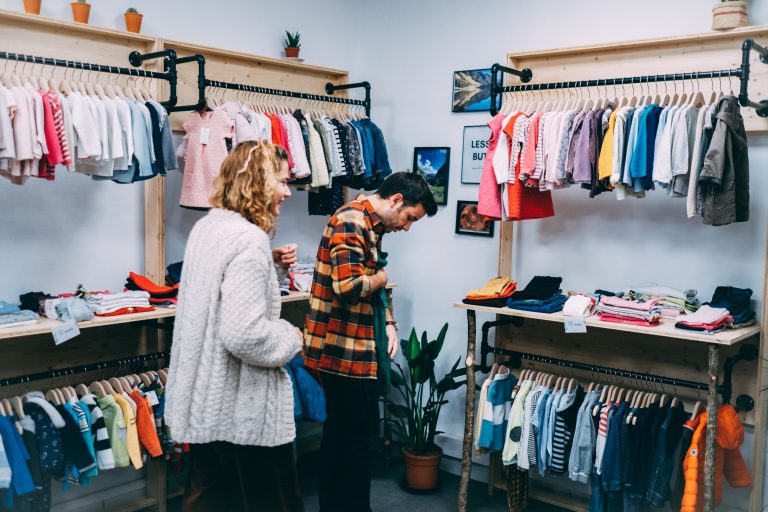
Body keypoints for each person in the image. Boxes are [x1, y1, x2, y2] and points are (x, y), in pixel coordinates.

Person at [165, 141, 305, 512]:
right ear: (259, 182)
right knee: (273, 498)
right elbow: (245, 334)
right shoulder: (248, 239)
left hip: (206, 398)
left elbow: (219, 298)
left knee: (206, 494)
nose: (288, 191)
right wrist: (292, 336)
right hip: (243, 404)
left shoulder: (208, 228)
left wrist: (269, 265)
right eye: (282, 180)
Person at [304, 171, 438, 512]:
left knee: (351, 440)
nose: (407, 227)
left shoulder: (371, 225)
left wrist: (389, 321)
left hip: (358, 348)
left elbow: (373, 284)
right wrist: (382, 277)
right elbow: (349, 288)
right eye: (409, 218)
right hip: (340, 351)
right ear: (396, 200)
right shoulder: (351, 221)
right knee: (352, 443)